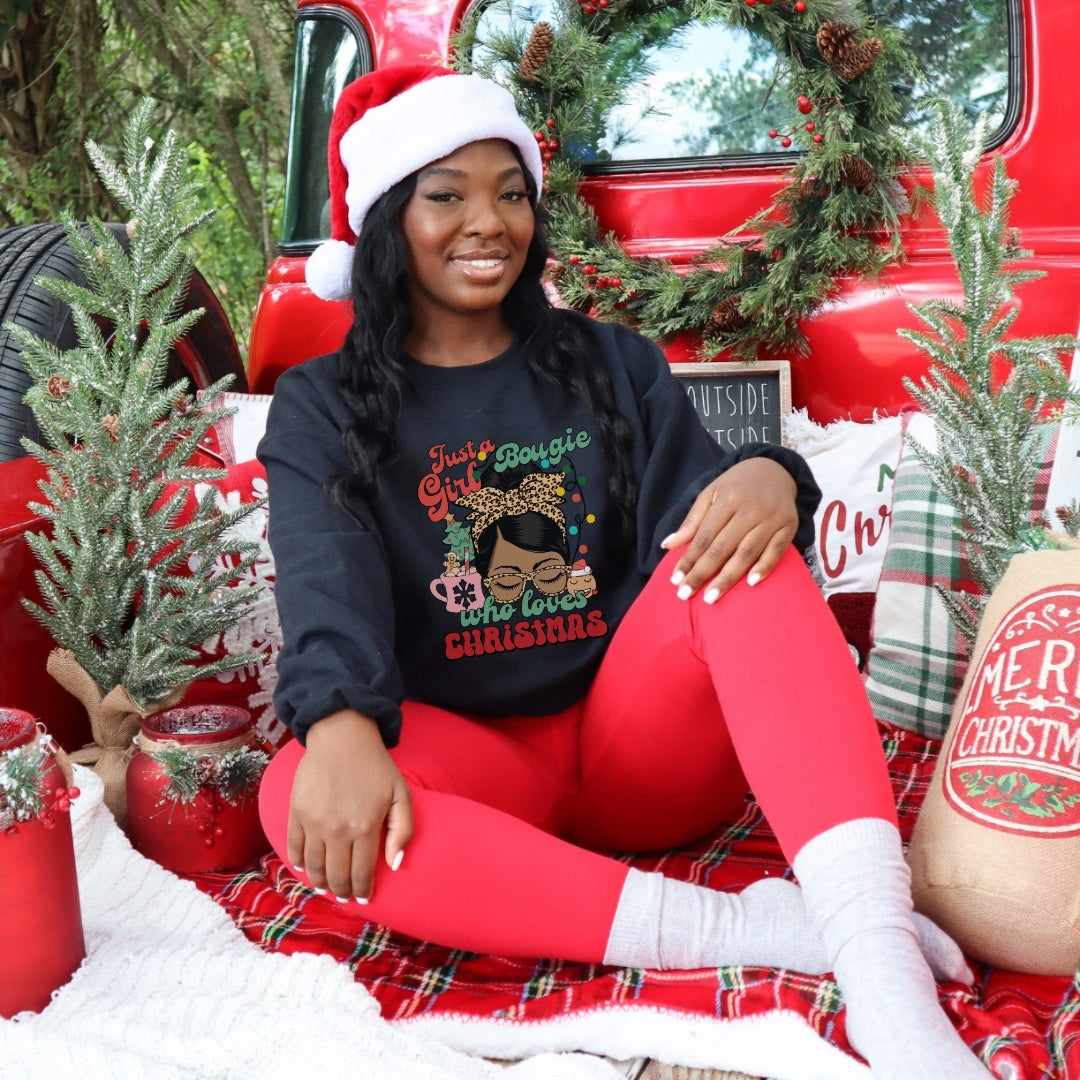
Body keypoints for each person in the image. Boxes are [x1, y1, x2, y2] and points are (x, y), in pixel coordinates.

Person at [257, 64, 992, 1080]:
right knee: (294, 793)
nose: (488, 222)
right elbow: (324, 573)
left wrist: (771, 477)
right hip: (475, 775)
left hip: (637, 753)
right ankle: (744, 929)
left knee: (741, 557)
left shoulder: (610, 362)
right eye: (447, 195)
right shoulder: (323, 402)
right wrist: (337, 721)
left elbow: (699, 521)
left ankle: (879, 962)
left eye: (511, 193)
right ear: (389, 219)